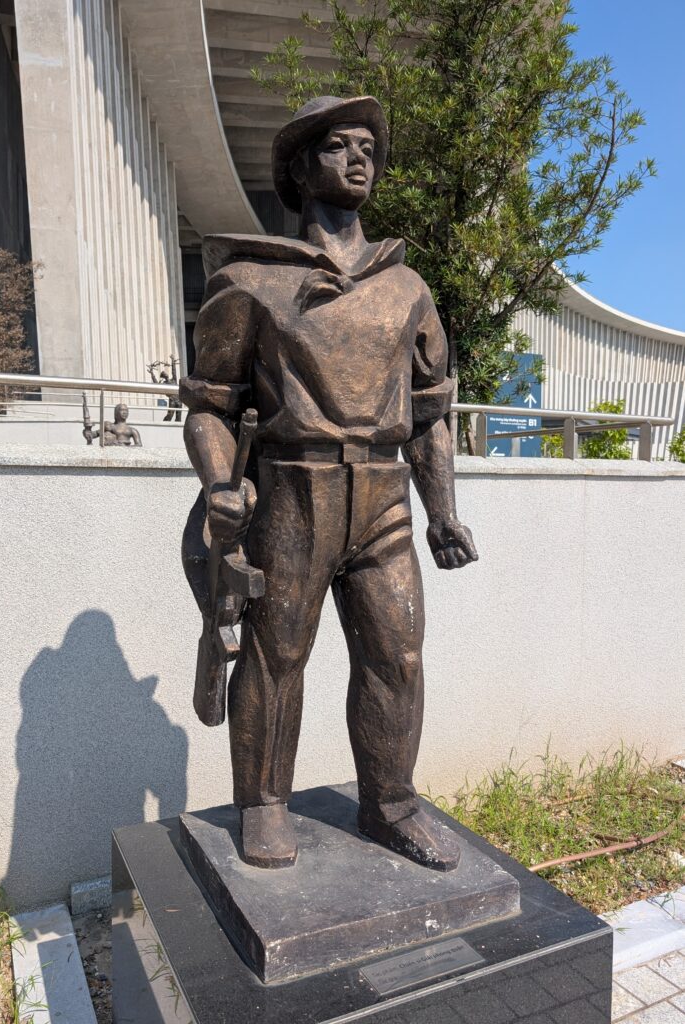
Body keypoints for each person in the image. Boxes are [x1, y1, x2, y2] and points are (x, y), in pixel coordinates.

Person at [180, 95, 477, 871]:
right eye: (340, 146)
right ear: (299, 168)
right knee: (276, 654)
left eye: (369, 151)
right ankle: (263, 805)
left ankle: (391, 805)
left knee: (397, 656)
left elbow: (430, 415)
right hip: (292, 493)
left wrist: (442, 513)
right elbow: (210, 408)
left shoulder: (406, 287)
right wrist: (220, 483)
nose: (359, 161)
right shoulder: (249, 281)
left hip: (382, 498)